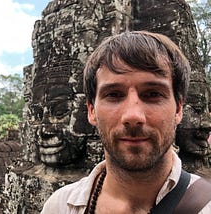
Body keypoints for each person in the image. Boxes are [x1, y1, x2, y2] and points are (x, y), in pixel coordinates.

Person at [41, 31, 211, 214]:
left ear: (178, 109)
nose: (133, 116)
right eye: (113, 95)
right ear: (91, 110)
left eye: (153, 94)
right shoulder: (59, 206)